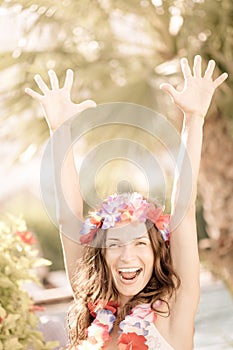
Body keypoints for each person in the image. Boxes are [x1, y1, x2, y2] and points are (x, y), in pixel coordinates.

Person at [25, 56, 228, 350]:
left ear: (157, 254)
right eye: (115, 244)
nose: (127, 256)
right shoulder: (91, 311)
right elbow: (68, 217)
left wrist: (194, 119)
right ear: (102, 257)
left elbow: (184, 203)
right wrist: (61, 131)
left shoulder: (172, 312)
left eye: (140, 244)